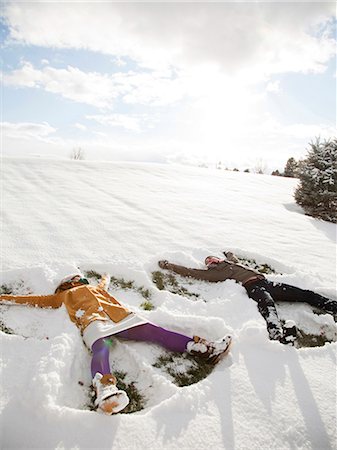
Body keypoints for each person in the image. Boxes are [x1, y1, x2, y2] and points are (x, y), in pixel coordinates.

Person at [0, 272, 232, 415]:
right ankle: (105, 389)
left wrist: (106, 277)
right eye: (75, 279)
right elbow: (34, 300)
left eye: (81, 279)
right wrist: (4, 298)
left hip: (121, 316)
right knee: (101, 349)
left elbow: (103, 284)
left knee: (156, 332)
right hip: (93, 321)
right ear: (66, 285)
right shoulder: (63, 296)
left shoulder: (94, 287)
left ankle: (202, 348)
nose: (80, 280)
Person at [158, 253, 337, 345]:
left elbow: (232, 258)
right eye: (208, 261)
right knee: (267, 305)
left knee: (305, 294)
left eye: (212, 258)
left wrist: (228, 254)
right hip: (253, 287)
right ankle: (277, 335)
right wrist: (169, 265)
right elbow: (191, 272)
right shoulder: (214, 273)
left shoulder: (231, 263)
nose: (211, 261)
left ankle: (333, 306)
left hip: (267, 282)